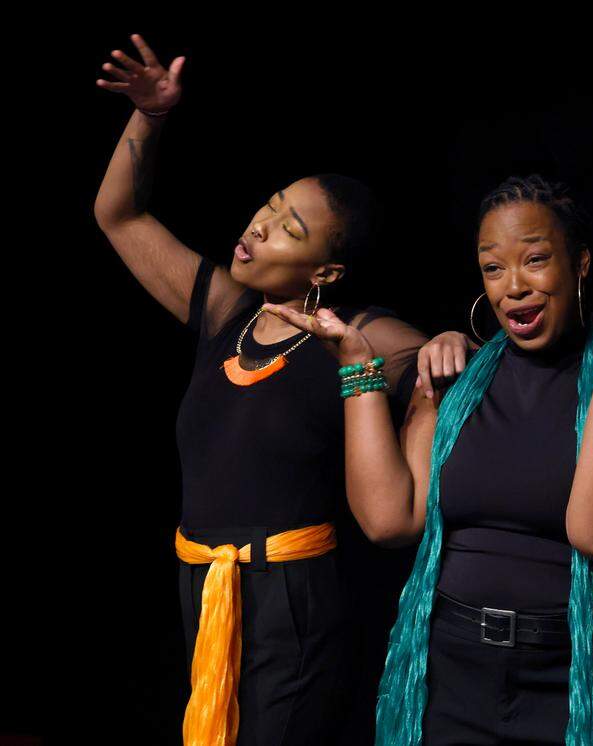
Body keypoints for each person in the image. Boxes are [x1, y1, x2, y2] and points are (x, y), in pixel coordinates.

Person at [265, 174, 593, 744]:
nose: (513, 286)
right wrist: (355, 363)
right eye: (493, 267)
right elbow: (389, 520)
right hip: (449, 674)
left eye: (535, 259)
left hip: (565, 679)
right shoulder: (453, 379)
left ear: (580, 263)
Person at [94, 34, 428, 746]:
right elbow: (117, 214)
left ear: (325, 273)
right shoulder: (226, 309)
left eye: (289, 229)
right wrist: (149, 117)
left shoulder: (359, 333)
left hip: (291, 602)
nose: (259, 226)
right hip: (203, 588)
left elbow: (445, 361)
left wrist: (454, 343)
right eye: (270, 207)